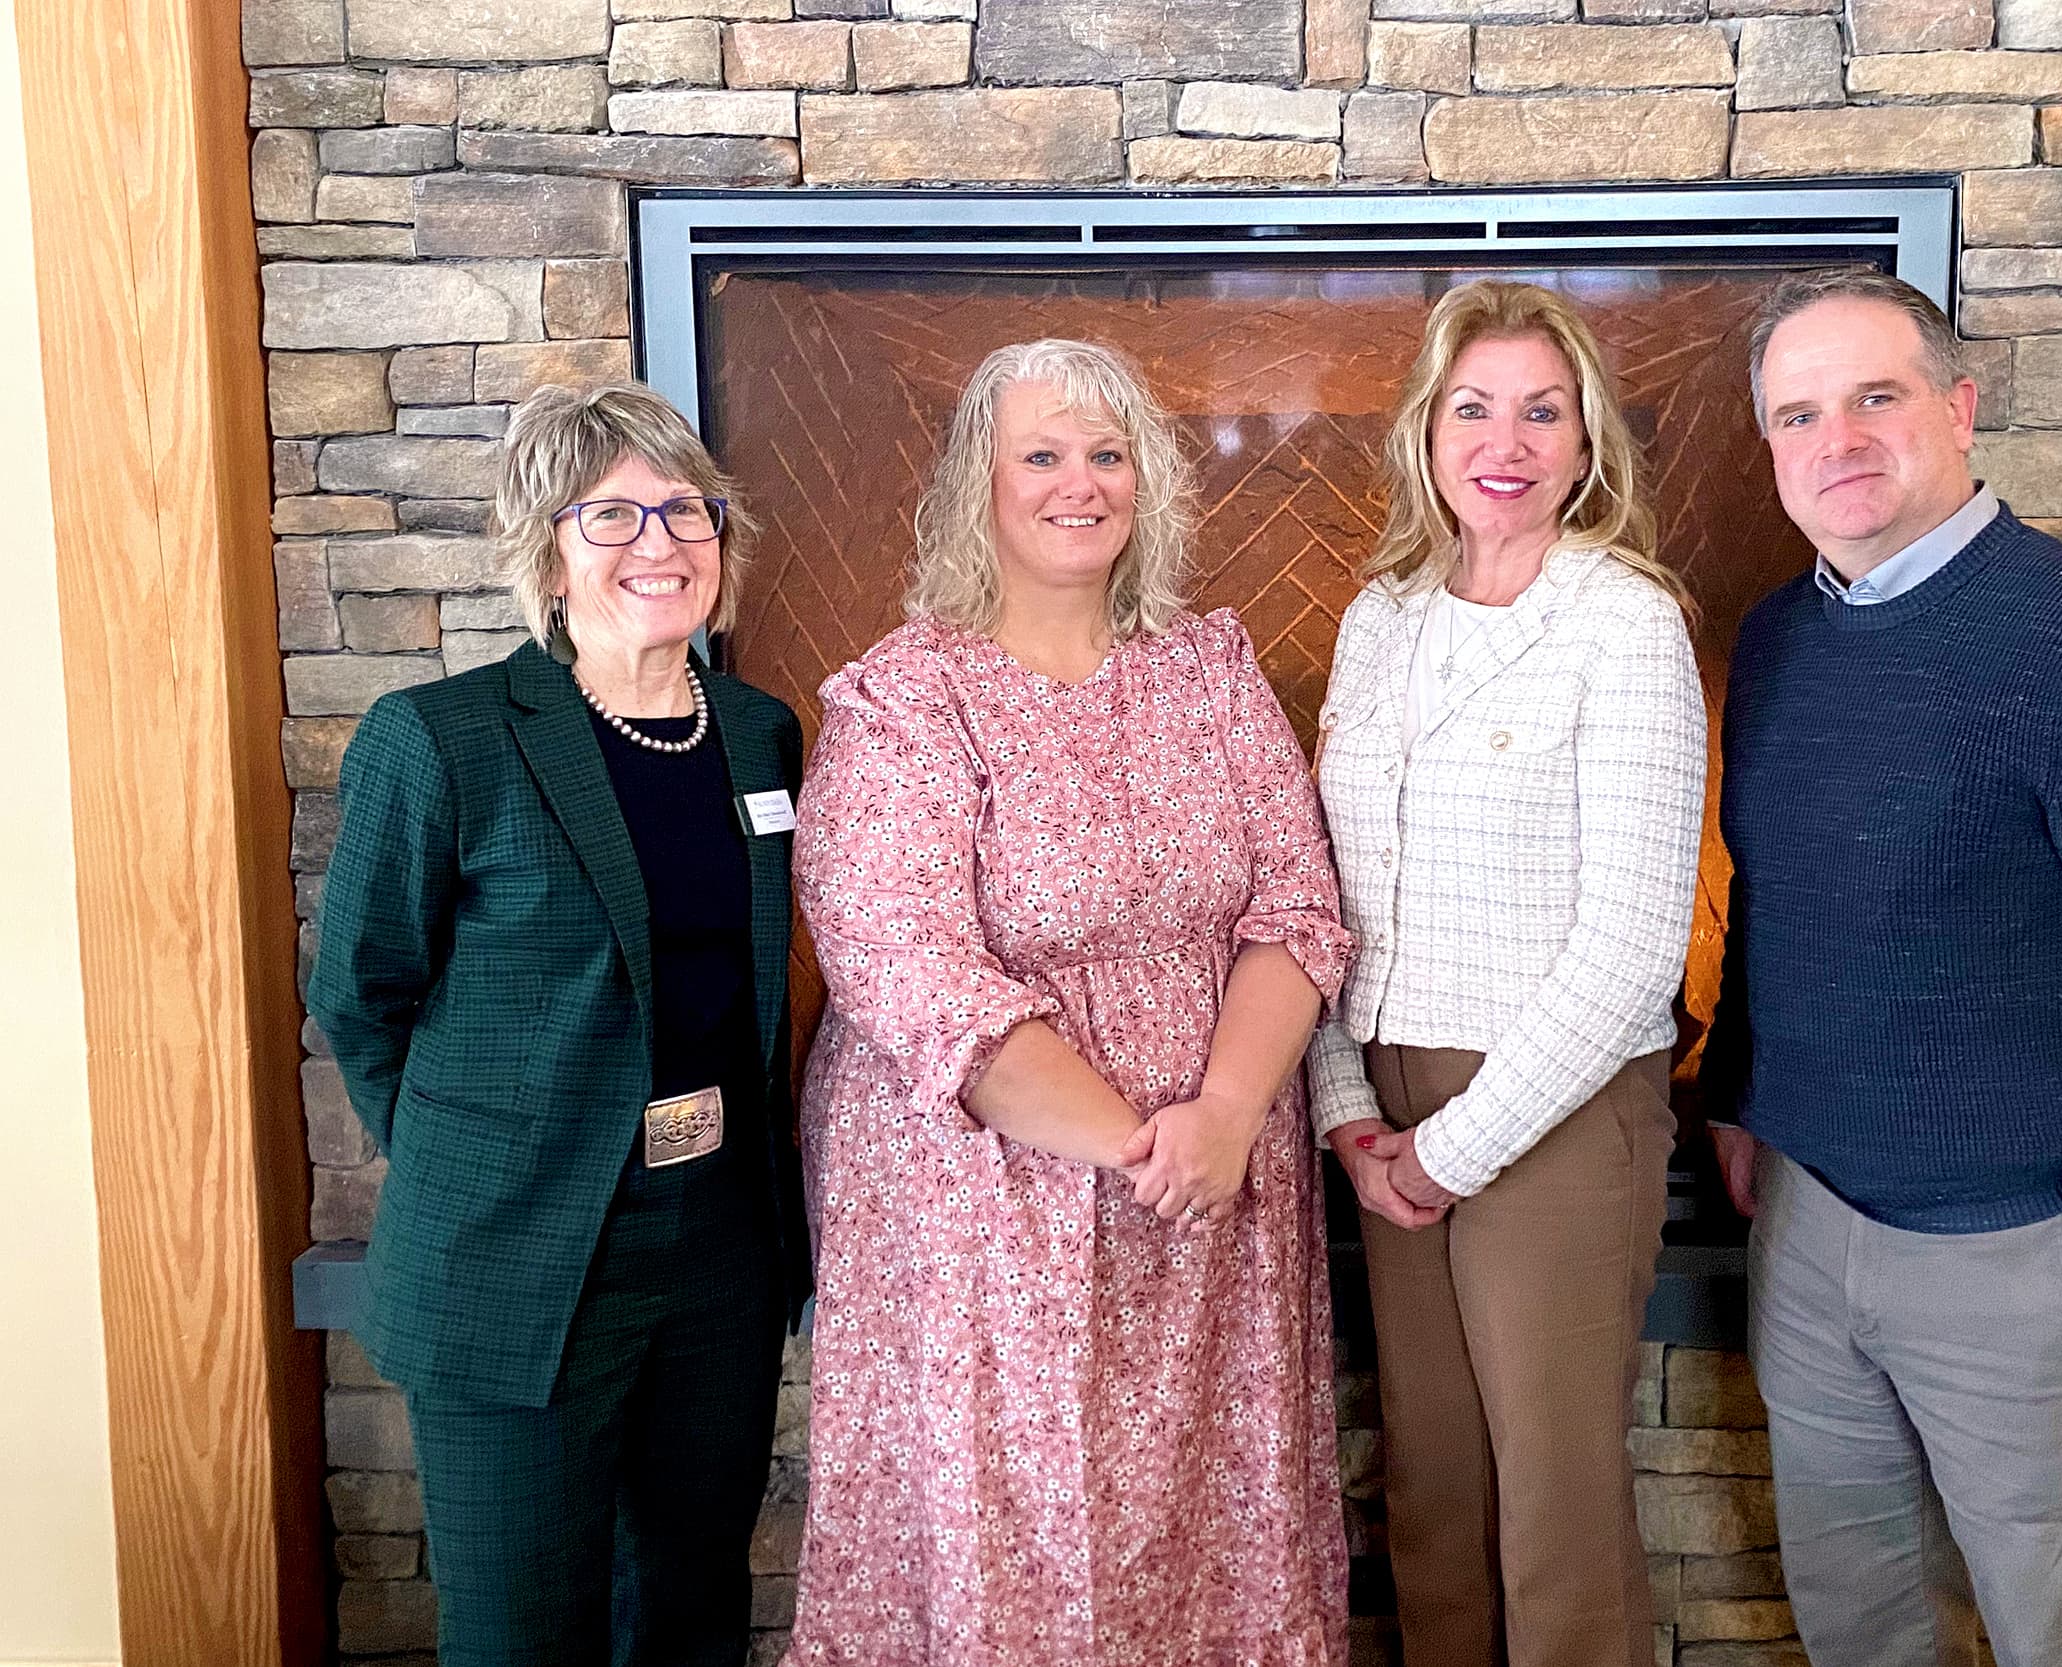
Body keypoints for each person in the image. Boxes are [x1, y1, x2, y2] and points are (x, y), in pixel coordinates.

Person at [1704, 267, 2062, 1667]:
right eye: (1798, 413)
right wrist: (1734, 1093)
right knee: (1860, 1621)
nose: (1837, 440)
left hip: (2017, 1255)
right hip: (1809, 1227)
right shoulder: (1780, 640)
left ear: (1960, 408)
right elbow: (1777, 903)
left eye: (1875, 396)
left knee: (2060, 1635)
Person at [784, 339, 1353, 1665]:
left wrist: (1215, 1116)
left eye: (1106, 454)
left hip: (1217, 1197)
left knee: (1211, 1533)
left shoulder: (1209, 667)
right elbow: (907, 965)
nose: (1075, 483)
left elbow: (1300, 905)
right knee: (1020, 1548)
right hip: (987, 1208)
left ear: (1147, 483)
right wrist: (1131, 1143)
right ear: (978, 485)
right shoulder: (907, 696)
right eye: (1040, 453)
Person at [308, 382, 809, 1666]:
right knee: (524, 1628)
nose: (660, 542)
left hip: (714, 1250)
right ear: (546, 548)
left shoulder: (758, 736)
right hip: (517, 1256)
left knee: (691, 1608)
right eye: (614, 516)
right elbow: (362, 993)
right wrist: (477, 1164)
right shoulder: (441, 739)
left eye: (685, 510)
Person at [1306, 280, 1707, 1667]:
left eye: (1546, 410)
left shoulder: (1625, 622)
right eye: (1476, 405)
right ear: (1427, 429)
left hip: (1554, 1103)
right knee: (1433, 1484)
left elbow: (1634, 946)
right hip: (1387, 1092)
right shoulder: (1380, 617)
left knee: (1552, 1507)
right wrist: (1349, 1110)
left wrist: (1450, 1148)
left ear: (1588, 443)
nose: (1509, 438)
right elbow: (1329, 886)